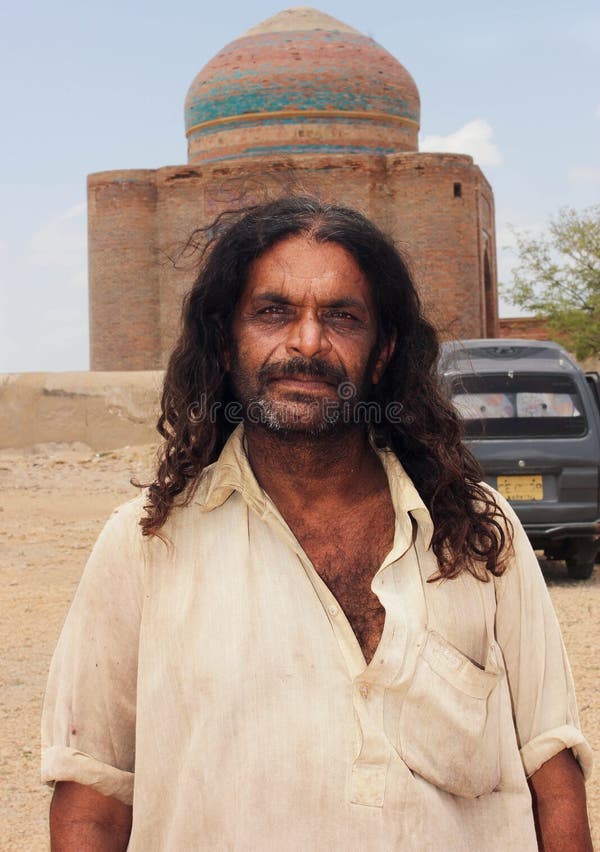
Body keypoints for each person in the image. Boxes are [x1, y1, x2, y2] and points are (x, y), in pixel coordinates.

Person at [42, 196, 593, 851]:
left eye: (341, 316)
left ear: (382, 351)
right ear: (225, 342)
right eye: (273, 312)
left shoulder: (474, 534)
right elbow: (94, 796)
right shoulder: (143, 547)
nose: (306, 342)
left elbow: (550, 770)